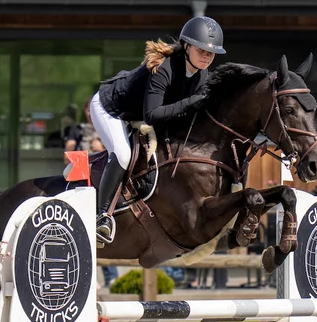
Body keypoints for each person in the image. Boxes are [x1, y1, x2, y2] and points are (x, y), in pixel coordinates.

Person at [89, 16, 225, 244]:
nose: (207, 56)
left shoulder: (201, 75)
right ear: (187, 46)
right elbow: (153, 115)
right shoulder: (165, 68)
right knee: (122, 154)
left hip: (137, 115)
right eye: (201, 50)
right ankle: (102, 217)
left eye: (211, 53)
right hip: (110, 108)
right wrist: (192, 103)